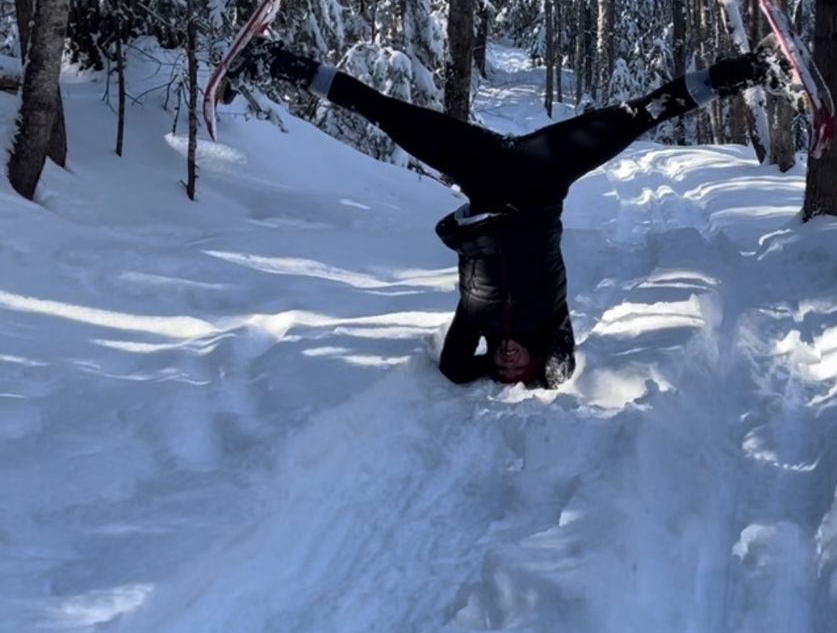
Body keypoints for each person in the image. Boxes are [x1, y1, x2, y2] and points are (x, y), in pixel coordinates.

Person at [232, 43, 782, 389]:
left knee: (388, 113)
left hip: (487, 176)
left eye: (501, 366)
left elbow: (452, 366)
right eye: (518, 369)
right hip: (543, 180)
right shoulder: (551, 324)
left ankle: (275, 61)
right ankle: (750, 68)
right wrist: (544, 371)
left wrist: (477, 366)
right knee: (631, 119)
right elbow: (563, 368)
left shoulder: (472, 324)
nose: (510, 361)